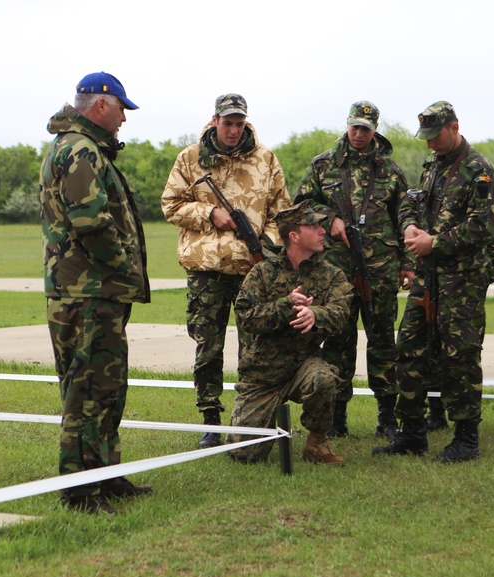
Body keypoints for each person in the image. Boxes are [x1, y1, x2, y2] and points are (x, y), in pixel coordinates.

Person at [40, 72, 152, 515]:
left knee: (105, 389)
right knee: (87, 393)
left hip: (92, 288)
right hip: (87, 290)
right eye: (122, 108)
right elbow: (90, 222)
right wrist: (124, 266)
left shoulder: (79, 147)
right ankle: (82, 493)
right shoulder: (80, 149)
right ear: (101, 105)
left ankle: (105, 475)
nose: (125, 117)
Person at [373, 101, 494, 462]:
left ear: (454, 127)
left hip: (462, 280)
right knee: (409, 348)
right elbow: (412, 204)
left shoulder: (479, 170)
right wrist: (410, 227)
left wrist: (437, 243)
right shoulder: (432, 165)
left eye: (435, 135)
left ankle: (465, 438)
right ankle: (412, 432)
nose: (429, 143)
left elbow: (486, 225)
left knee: (459, 357)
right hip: (426, 276)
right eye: (425, 137)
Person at [161, 94, 290, 449]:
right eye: (227, 122)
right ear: (215, 120)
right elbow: (170, 204)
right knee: (208, 346)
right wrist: (208, 214)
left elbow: (283, 212)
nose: (233, 130)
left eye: (239, 123)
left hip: (253, 269)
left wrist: (265, 245)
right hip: (207, 269)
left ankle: (247, 420)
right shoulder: (190, 159)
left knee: (255, 348)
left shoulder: (266, 160)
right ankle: (211, 421)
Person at [293, 101, 408, 439]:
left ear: (375, 130)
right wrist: (331, 220)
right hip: (335, 272)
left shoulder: (390, 170)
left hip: (381, 272)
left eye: (366, 129)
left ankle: (387, 415)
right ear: (347, 124)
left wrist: (408, 264)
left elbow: (406, 218)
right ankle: (336, 416)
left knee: (384, 342)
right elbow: (301, 205)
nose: (359, 134)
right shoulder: (323, 165)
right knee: (338, 343)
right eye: (354, 127)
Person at [224, 201, 353, 466]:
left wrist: (316, 314)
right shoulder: (263, 272)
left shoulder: (331, 275)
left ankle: (317, 443)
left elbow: (341, 312)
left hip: (303, 366)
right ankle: (250, 422)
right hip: (263, 373)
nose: (322, 231)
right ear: (293, 236)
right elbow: (246, 317)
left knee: (324, 379)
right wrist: (286, 305)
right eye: (313, 225)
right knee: (243, 456)